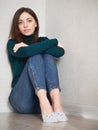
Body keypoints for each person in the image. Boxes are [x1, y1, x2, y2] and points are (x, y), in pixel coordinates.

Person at [7, 7, 68, 123]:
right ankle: (44, 103)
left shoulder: (43, 40)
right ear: (17, 27)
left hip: (39, 104)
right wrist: (55, 41)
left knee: (47, 57)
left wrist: (29, 48)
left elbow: (60, 52)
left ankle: (56, 103)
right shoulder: (13, 43)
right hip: (21, 100)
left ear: (35, 23)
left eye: (29, 21)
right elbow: (28, 52)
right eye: (20, 22)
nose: (25, 25)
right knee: (35, 55)